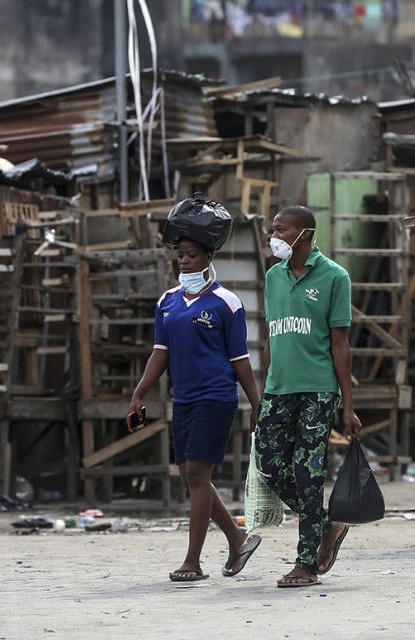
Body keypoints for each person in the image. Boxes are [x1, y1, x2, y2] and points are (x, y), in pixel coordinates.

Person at [129, 196, 262, 582]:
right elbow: (160, 354)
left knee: (198, 478)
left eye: (190, 255)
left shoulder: (227, 303)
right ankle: (237, 537)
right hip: (182, 400)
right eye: (180, 256)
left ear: (207, 257)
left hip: (216, 398)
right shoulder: (167, 302)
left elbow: (240, 359)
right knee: (190, 477)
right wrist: (139, 393)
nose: (183, 261)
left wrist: (256, 403)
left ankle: (193, 561)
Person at [256, 205, 362, 588]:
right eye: (274, 230)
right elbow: (271, 337)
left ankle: (306, 563)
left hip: (318, 390)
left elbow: (341, 346)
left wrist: (347, 405)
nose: (275, 237)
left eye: (281, 230)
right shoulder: (273, 277)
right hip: (278, 389)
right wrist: (264, 391)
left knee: (308, 472)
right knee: (268, 464)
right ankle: (328, 525)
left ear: (304, 234)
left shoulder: (335, 277)